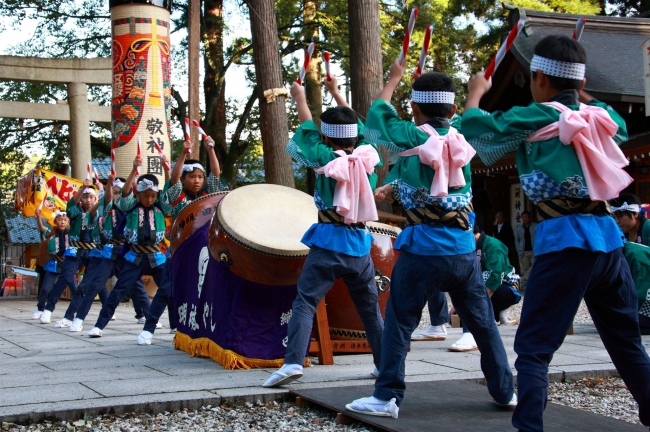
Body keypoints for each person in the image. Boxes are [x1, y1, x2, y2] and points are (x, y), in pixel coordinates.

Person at [462, 34, 650, 431]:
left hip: (565, 242)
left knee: (533, 349)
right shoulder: (605, 118)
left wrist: (475, 94)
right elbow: (599, 113)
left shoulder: (536, 116)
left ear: (539, 78)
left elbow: (480, 130)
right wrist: (580, 92)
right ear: (581, 83)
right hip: (608, 241)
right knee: (626, 343)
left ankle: (529, 426)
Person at [345, 63, 515, 419]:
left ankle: (387, 396)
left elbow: (377, 115)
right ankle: (505, 391)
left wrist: (392, 77)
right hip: (464, 251)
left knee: (399, 321)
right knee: (482, 324)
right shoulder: (462, 136)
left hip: (421, 250)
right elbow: (473, 117)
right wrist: (477, 92)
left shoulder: (410, 135)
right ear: (452, 110)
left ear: (414, 108)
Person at [263, 75, 384, 388]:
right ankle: (385, 364)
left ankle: (292, 363)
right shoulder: (366, 156)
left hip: (329, 242)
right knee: (369, 310)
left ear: (327, 138)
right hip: (359, 246)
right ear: (355, 136)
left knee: (305, 301)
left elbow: (306, 129)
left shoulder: (324, 157)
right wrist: (336, 93)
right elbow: (360, 128)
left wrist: (299, 97)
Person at [137, 133, 228, 345]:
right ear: (185, 179)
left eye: (199, 177)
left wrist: (211, 150)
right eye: (192, 177)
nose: (196, 181)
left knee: (206, 288)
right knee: (167, 289)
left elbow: (216, 174)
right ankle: (149, 328)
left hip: (205, 250)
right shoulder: (178, 196)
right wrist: (183, 153)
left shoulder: (208, 194)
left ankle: (198, 328)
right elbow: (174, 178)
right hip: (180, 249)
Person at [87, 167, 169, 339]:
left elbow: (171, 188)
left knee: (171, 289)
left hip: (156, 257)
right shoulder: (129, 206)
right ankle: (99, 325)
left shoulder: (160, 206)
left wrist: (167, 167)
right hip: (135, 257)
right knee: (119, 290)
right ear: (137, 194)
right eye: (145, 195)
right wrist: (133, 169)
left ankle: (175, 326)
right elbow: (125, 192)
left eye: (153, 195)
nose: (149, 199)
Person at [66, 175, 152, 332]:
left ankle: (149, 317)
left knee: (136, 286)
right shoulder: (106, 207)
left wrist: (133, 173)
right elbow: (102, 203)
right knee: (95, 285)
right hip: (109, 252)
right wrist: (107, 187)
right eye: (114, 192)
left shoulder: (131, 207)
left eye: (119, 192)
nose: (116, 195)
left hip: (126, 252)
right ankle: (78, 319)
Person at [376, 183, 448, 342]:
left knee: (404, 285)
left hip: (434, 231)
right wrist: (385, 189)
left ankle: (394, 337)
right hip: (437, 234)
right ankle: (439, 323)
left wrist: (384, 189)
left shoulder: (426, 165)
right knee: (435, 278)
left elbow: (409, 183)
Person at [448, 224, 521, 352]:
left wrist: (472, 302)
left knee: (472, 288)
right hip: (486, 287)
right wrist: (457, 306)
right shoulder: (471, 247)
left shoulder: (493, 245)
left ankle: (470, 334)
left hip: (506, 287)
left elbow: (495, 276)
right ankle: (495, 313)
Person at [40, 181, 98, 324]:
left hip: (93, 249)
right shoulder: (75, 212)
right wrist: (83, 188)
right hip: (75, 249)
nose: (88, 200)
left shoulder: (99, 212)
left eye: (91, 197)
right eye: (85, 197)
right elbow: (72, 203)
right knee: (65, 277)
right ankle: (48, 310)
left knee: (93, 283)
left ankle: (73, 314)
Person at [32, 209, 69, 320]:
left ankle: (75, 311)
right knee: (45, 287)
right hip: (53, 262)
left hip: (67, 263)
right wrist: (38, 216)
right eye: (60, 220)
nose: (62, 222)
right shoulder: (51, 232)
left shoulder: (71, 233)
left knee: (75, 288)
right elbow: (41, 228)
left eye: (65, 220)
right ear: (55, 221)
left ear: (68, 222)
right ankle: (40, 308)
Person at [514, 210, 536, 291]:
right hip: (523, 251)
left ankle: (530, 283)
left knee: (535, 267)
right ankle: (524, 285)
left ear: (529, 218)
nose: (525, 219)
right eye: (523, 217)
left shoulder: (535, 226)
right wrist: (518, 249)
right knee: (524, 270)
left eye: (526, 217)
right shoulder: (519, 228)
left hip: (534, 250)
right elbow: (517, 240)